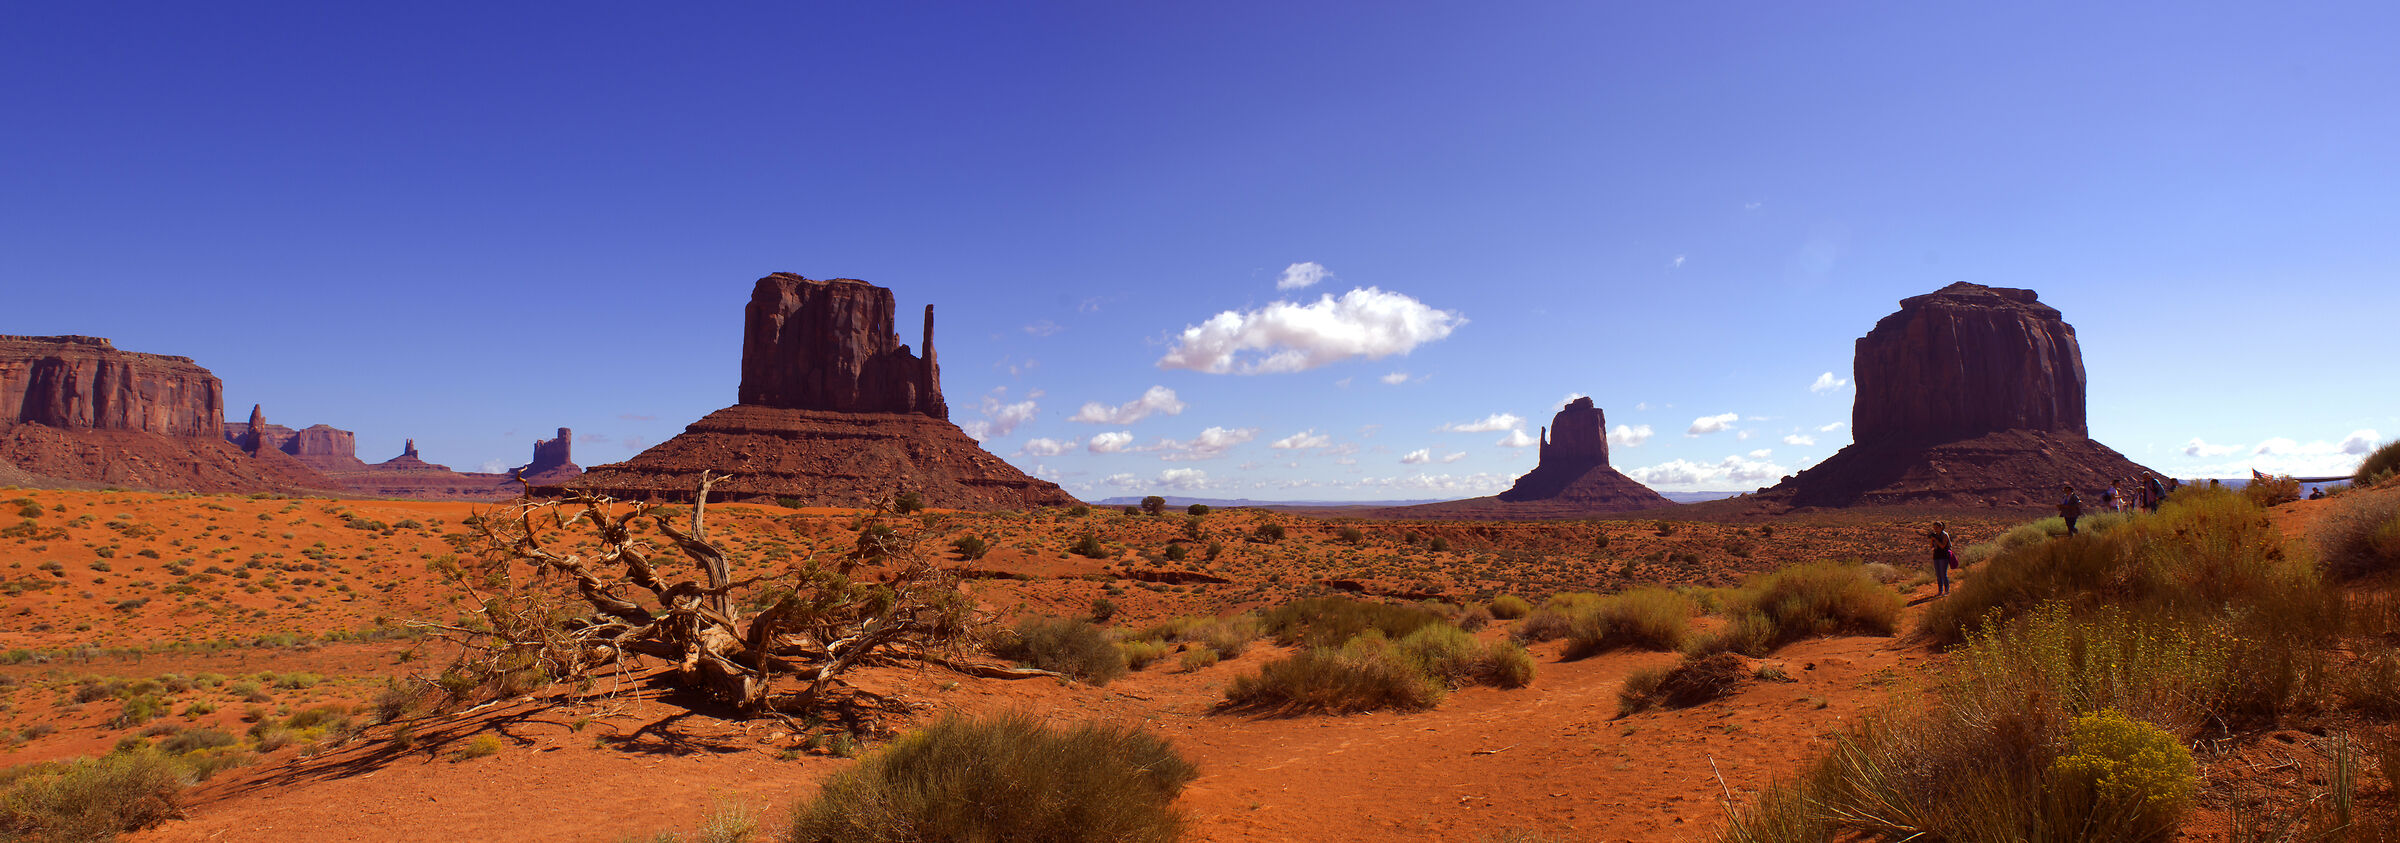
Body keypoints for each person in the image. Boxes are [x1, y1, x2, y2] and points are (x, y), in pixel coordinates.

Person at [1928, 521, 1955, 596]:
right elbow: (1931, 547)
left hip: (1944, 556)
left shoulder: (1945, 535)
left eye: (1936, 528)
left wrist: (1935, 539)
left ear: (1941, 527)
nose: (1935, 529)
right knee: (1938, 574)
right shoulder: (1935, 535)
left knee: (1943, 574)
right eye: (1934, 528)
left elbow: (1943, 546)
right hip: (1936, 556)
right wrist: (1931, 539)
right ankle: (1940, 591)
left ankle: (1947, 591)